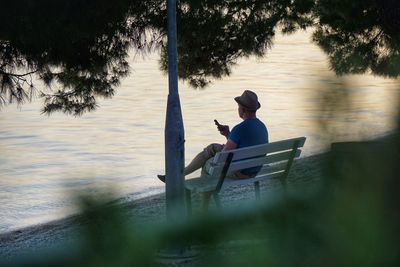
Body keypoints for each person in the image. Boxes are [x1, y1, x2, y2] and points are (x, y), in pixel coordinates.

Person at [158, 90, 268, 182]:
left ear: (243, 109)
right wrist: (228, 134)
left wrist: (226, 143)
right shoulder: (262, 127)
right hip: (252, 171)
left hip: (239, 172)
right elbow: (244, 146)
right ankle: (180, 174)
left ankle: (202, 197)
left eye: (238, 107)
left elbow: (222, 156)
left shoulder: (239, 129)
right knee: (212, 148)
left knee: (208, 163)